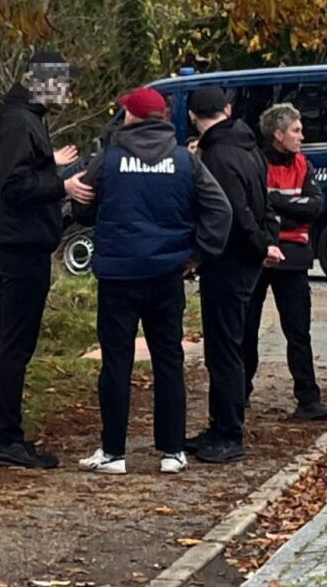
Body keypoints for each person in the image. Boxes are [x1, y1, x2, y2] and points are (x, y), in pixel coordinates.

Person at [72, 87, 231, 475]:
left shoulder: (106, 160)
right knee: (168, 361)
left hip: (118, 276)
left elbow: (81, 209)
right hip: (166, 276)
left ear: (131, 117)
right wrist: (196, 255)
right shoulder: (184, 160)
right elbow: (220, 209)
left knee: (116, 363)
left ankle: (113, 452)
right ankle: (173, 451)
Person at [0, 51, 89, 468]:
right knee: (13, 343)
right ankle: (6, 436)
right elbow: (14, 185)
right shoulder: (18, 122)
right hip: (19, 246)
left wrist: (49, 169)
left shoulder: (23, 119)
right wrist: (62, 185)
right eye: (61, 81)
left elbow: (23, 173)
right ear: (41, 81)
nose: (66, 90)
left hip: (18, 242)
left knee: (3, 341)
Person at [184, 86, 281, 464]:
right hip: (245, 260)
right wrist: (267, 241)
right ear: (226, 109)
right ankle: (221, 423)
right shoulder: (249, 148)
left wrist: (259, 245)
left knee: (224, 350)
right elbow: (264, 201)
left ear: (193, 116)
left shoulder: (218, 155)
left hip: (227, 260)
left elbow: (232, 213)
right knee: (231, 345)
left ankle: (228, 431)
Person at [242, 103, 327, 420]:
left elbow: (315, 206)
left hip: (293, 256)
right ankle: (239, 394)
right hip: (258, 253)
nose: (302, 136)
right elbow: (254, 208)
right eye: (296, 130)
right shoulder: (255, 162)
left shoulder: (303, 163)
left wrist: (277, 203)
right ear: (278, 135)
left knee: (298, 331)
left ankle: (308, 399)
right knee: (246, 327)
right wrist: (288, 209)